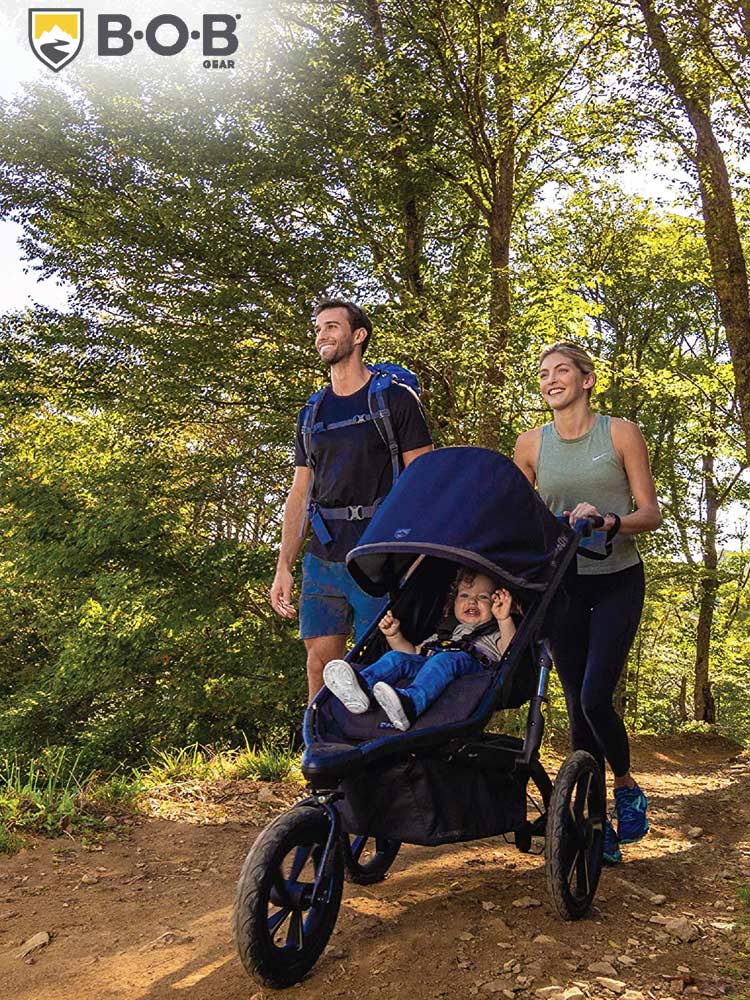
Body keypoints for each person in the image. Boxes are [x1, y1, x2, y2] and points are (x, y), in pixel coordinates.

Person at [513, 341, 662, 865]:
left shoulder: (619, 433)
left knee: (597, 696)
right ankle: (596, 826)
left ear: (586, 379)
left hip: (618, 576)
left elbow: (651, 513)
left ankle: (624, 784)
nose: (550, 379)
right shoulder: (530, 445)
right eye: (543, 372)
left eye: (561, 371)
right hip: (563, 585)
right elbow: (520, 519)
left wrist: (608, 521)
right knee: (578, 709)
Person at [270, 300, 433, 701]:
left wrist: (417, 556)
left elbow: (425, 481)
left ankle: (374, 758)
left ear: (358, 336)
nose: (321, 335)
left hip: (379, 556)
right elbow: (299, 491)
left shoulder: (394, 400)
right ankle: (321, 757)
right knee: (320, 666)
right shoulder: (311, 412)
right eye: (318, 329)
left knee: (377, 666)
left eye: (332, 327)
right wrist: (284, 566)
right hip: (323, 557)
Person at [322, 569, 518, 731]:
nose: (472, 601)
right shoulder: (444, 633)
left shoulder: (495, 633)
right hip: (435, 660)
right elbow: (414, 653)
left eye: (483, 597)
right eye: (464, 595)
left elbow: (511, 651)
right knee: (397, 658)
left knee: (445, 660)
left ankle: (412, 703)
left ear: (495, 604)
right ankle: (362, 685)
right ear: (454, 602)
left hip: (474, 672)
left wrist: (504, 618)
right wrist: (394, 635)